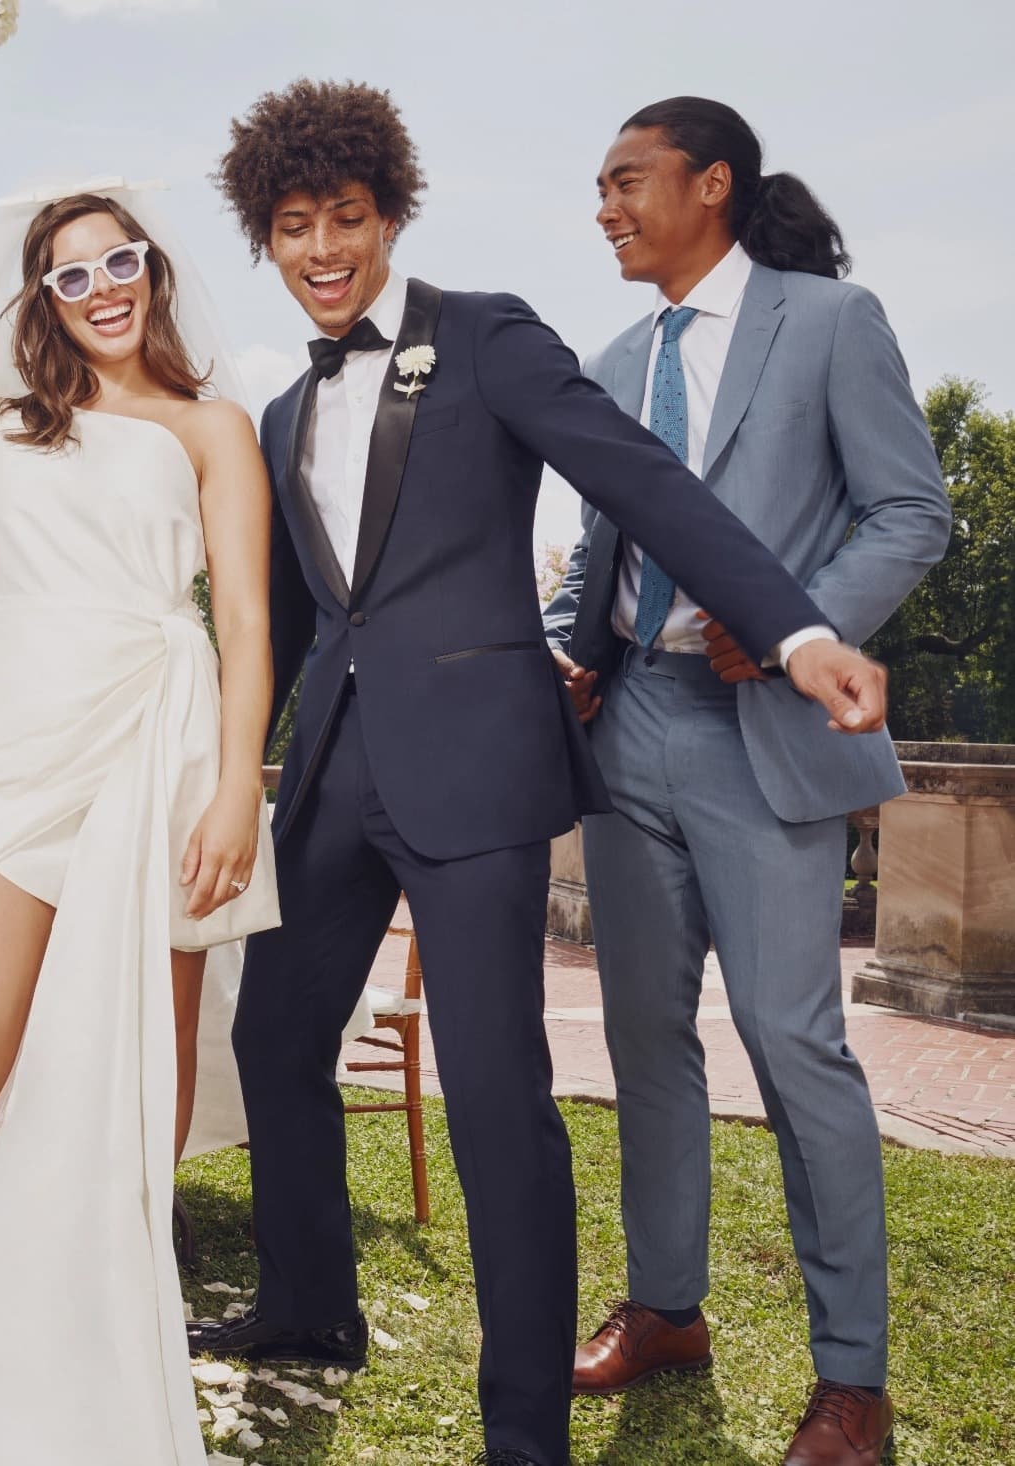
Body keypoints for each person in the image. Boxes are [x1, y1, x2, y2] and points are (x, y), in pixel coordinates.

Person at [189, 79, 895, 1466]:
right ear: (264, 243)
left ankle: (522, 1423)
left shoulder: (491, 338)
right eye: (292, 226)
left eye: (345, 217)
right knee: (273, 1035)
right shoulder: (276, 412)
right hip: (330, 770)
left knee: (494, 1086)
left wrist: (797, 623)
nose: (322, 247)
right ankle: (306, 1303)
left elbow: (643, 484)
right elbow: (266, 613)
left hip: (479, 772)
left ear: (388, 217)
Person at [0, 33, 277, 1466]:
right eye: (69, 271)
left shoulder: (215, 427)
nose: (97, 288)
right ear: (43, 296)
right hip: (10, 740)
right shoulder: (2, 423)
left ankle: (99, 1341)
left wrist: (234, 784)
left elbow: (251, 622)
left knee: (143, 1079)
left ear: (151, 266)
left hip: (158, 743)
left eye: (117, 260)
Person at [544, 98, 949, 1466]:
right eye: (597, 186)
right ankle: (668, 1307)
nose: (603, 206)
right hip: (632, 729)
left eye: (625, 180)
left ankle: (855, 1384)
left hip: (766, 728)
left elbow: (910, 510)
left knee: (794, 1042)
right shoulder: (607, 360)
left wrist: (794, 618)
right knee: (646, 1037)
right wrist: (568, 649)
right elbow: (594, 545)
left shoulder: (829, 323)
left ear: (711, 183)